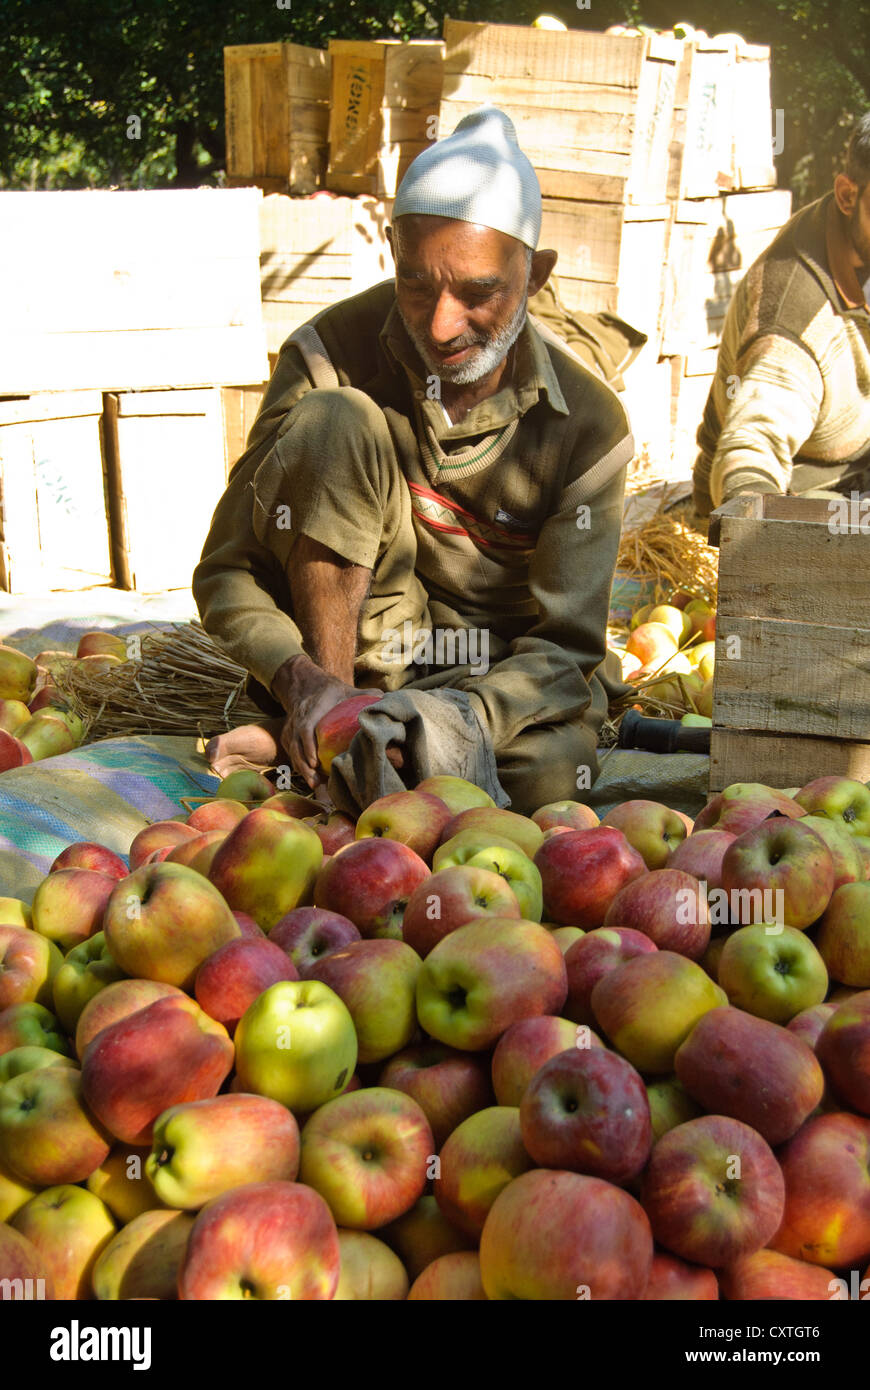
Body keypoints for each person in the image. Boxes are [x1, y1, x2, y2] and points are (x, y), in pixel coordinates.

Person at [193, 108, 633, 813]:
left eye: (478, 292)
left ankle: (341, 754)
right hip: (346, 661)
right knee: (337, 418)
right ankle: (335, 736)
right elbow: (227, 572)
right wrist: (302, 680)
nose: (439, 324)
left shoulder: (587, 426)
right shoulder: (326, 355)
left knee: (555, 774)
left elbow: (564, 651)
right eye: (416, 285)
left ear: (536, 275)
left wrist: (450, 725)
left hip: (481, 683)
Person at [692, 112, 870, 515]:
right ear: (847, 195)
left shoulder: (858, 237)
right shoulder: (794, 320)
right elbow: (751, 448)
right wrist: (757, 531)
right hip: (815, 491)